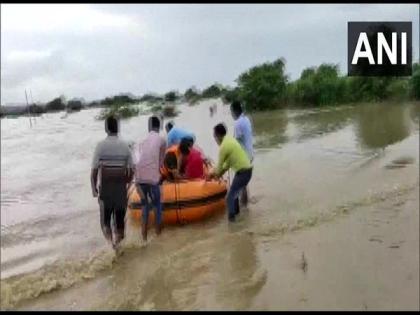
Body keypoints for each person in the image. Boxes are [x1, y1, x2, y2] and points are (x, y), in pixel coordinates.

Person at [91, 115, 134, 249]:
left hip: (106, 191)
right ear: (118, 128)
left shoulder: (100, 146)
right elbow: (132, 170)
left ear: (106, 128)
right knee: (120, 223)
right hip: (120, 190)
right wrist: (126, 183)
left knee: (105, 224)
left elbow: (94, 171)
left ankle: (111, 245)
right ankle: (119, 245)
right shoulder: (125, 146)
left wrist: (94, 190)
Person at [208, 123, 253, 222]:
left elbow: (219, 168)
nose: (215, 140)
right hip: (247, 171)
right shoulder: (230, 140)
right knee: (234, 195)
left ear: (218, 136)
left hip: (243, 172)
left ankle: (232, 224)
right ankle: (238, 218)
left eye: (214, 136)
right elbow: (226, 164)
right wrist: (217, 175)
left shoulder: (224, 146)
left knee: (229, 198)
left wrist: (211, 174)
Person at [135, 115, 166, 242]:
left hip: (139, 179)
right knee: (158, 205)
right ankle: (158, 236)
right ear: (159, 127)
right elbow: (161, 162)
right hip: (152, 179)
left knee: (144, 208)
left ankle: (144, 239)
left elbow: (137, 160)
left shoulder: (141, 141)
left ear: (149, 127)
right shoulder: (162, 140)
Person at [230, 100, 254, 205]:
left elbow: (235, 142)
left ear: (234, 111)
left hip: (243, 157)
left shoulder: (238, 123)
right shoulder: (246, 119)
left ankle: (244, 206)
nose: (231, 114)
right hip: (250, 154)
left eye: (231, 112)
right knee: (244, 182)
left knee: (241, 184)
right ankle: (246, 202)